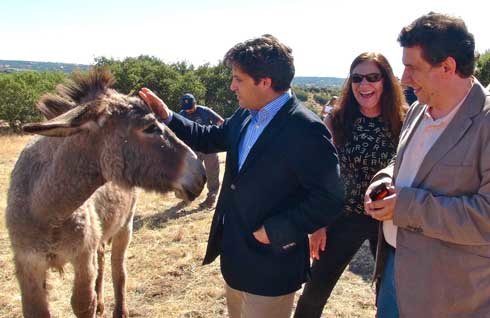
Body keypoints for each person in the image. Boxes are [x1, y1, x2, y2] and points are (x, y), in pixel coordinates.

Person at [139, 34, 344, 318]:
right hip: (237, 257)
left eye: (238, 79)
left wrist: (274, 232)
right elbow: (208, 137)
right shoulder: (246, 115)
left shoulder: (306, 129)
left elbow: (330, 199)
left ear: (265, 82)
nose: (232, 86)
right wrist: (168, 116)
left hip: (273, 266)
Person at [364, 12, 490, 318]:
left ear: (447, 67)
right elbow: (404, 163)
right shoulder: (419, 109)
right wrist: (383, 179)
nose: (404, 79)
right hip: (394, 268)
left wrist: (404, 206)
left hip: (449, 296)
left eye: (412, 68)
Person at [294, 52, 405, 318]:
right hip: (343, 217)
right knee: (314, 292)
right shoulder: (337, 119)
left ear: (386, 81)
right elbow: (321, 173)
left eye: (372, 77)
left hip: (389, 218)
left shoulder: (405, 120)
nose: (363, 85)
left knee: (392, 295)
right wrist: (318, 223)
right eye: (357, 78)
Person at [178, 93, 224, 208]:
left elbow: (221, 123)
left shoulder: (205, 111)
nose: (188, 111)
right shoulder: (182, 114)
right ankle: (188, 196)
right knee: (191, 173)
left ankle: (212, 196)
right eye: (186, 109)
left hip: (209, 147)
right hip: (193, 148)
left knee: (212, 172)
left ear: (195, 103)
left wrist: (217, 137)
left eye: (190, 108)